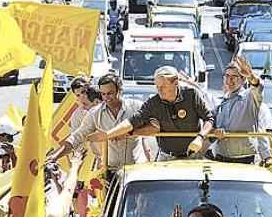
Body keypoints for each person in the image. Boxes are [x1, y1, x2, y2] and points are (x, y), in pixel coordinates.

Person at [87, 66, 215, 161]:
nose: (159, 90)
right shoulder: (154, 102)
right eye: (157, 86)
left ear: (175, 83)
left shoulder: (191, 95)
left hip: (193, 156)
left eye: (163, 86)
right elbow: (132, 121)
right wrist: (108, 135)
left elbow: (209, 119)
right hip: (166, 158)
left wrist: (200, 137)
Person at [48, 74, 145, 172]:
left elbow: (155, 126)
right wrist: (55, 156)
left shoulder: (136, 107)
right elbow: (77, 137)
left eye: (110, 93)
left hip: (136, 171)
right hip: (110, 171)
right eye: (103, 94)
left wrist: (130, 133)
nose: (107, 98)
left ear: (119, 90)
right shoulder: (95, 113)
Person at [210, 57, 272, 167]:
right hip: (221, 157)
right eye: (227, 76)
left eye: (234, 77)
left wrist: (251, 76)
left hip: (244, 159)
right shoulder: (220, 103)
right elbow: (211, 125)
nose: (230, 80)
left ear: (243, 80)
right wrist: (216, 132)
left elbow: (258, 87)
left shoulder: (249, 98)